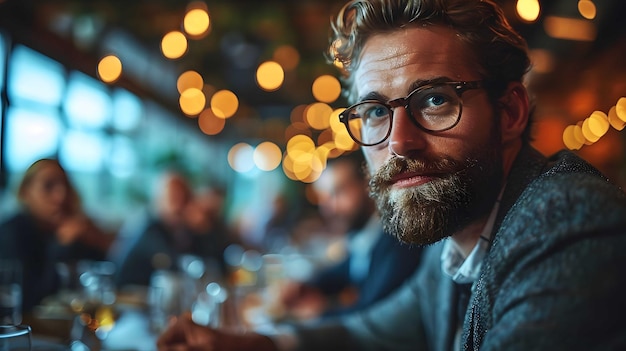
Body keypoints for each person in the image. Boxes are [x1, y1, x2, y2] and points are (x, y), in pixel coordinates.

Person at [156, 0, 626, 350]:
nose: (399, 142)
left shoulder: (566, 224)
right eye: (377, 111)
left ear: (509, 112)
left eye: (436, 99)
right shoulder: (457, 231)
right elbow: (386, 330)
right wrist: (261, 344)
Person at [276, 152, 422, 321]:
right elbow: (346, 270)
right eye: (324, 198)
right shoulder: (366, 236)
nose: (328, 208)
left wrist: (319, 314)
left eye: (338, 192)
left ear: (368, 184)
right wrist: (305, 284)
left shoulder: (399, 240)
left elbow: (373, 312)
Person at [0, 159, 114, 312]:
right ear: (26, 193)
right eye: (48, 186)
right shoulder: (11, 234)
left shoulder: (70, 228)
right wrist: (61, 245)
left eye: (65, 185)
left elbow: (104, 280)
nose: (61, 196)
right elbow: (30, 301)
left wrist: (95, 240)